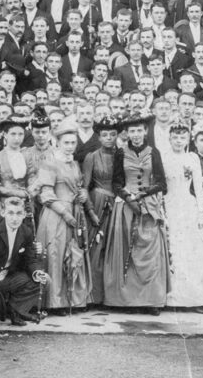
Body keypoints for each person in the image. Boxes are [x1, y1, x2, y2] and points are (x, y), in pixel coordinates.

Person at [103, 113, 170, 314]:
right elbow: (115, 183)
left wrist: (143, 194)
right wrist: (128, 197)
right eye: (132, 131)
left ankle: (152, 300)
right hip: (126, 206)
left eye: (139, 130)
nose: (136, 135)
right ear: (127, 133)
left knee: (150, 252)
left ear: (145, 131)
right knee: (128, 253)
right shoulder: (121, 153)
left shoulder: (153, 152)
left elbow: (162, 183)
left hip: (149, 205)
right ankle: (128, 301)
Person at [35, 122, 92, 313]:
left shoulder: (74, 163)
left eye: (73, 142)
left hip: (75, 212)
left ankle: (72, 300)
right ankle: (55, 301)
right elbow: (46, 194)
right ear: (57, 142)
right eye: (66, 142)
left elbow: (78, 186)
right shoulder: (49, 163)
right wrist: (66, 214)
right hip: (56, 214)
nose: (69, 146)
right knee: (56, 255)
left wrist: (83, 194)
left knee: (73, 253)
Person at [0, 196, 47, 331]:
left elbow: (30, 260)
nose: (15, 218)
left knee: (40, 281)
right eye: (11, 213)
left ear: (24, 214)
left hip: (9, 277)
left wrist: (38, 272)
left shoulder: (26, 232)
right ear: (3, 213)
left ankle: (15, 310)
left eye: (19, 213)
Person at [163, 122, 203, 307]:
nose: (178, 141)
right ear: (169, 138)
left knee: (192, 250)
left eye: (182, 137)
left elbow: (199, 189)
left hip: (188, 204)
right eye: (175, 137)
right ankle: (172, 298)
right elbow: (160, 187)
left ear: (188, 139)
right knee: (174, 247)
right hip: (170, 204)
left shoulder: (192, 158)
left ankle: (194, 298)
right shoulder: (163, 158)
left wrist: (201, 213)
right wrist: (162, 211)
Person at [81, 116, 119, 305]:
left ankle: (112, 297)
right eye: (105, 135)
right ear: (99, 137)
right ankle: (94, 297)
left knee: (115, 248)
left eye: (113, 134)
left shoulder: (122, 155)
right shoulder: (92, 157)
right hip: (97, 203)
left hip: (118, 204)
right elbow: (84, 187)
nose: (109, 138)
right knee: (97, 247)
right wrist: (90, 211)